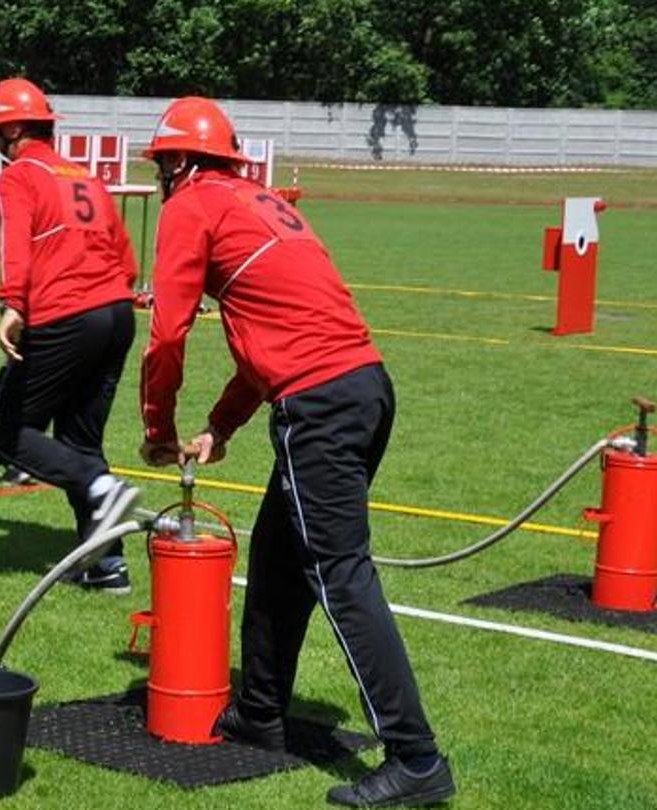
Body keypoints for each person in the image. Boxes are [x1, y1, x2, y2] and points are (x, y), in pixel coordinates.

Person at [136, 97, 453, 808]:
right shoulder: (256, 199)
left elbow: (167, 335)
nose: (158, 180)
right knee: (279, 556)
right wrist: (221, 426)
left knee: (340, 575)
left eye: (160, 166)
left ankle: (416, 758)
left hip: (322, 406)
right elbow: (270, 332)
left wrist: (156, 427)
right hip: (363, 387)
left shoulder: (194, 204)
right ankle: (259, 712)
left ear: (180, 162)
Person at [0, 77, 140, 592]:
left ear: (17, 131)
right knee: (79, 439)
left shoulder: (19, 176)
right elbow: (126, 255)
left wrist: (12, 305)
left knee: (4, 433)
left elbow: (15, 246)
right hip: (116, 312)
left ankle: (101, 486)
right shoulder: (87, 177)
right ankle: (107, 564)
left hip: (67, 313)